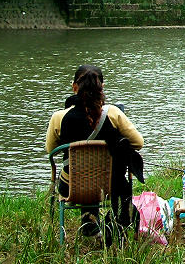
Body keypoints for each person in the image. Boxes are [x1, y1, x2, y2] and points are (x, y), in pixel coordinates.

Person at [45, 65, 144, 238]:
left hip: (72, 187)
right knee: (100, 172)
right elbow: (138, 142)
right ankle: (95, 224)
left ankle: (89, 223)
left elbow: (51, 150)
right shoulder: (113, 113)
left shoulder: (58, 117)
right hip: (109, 186)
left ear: (74, 87)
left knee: (81, 172)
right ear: (102, 87)